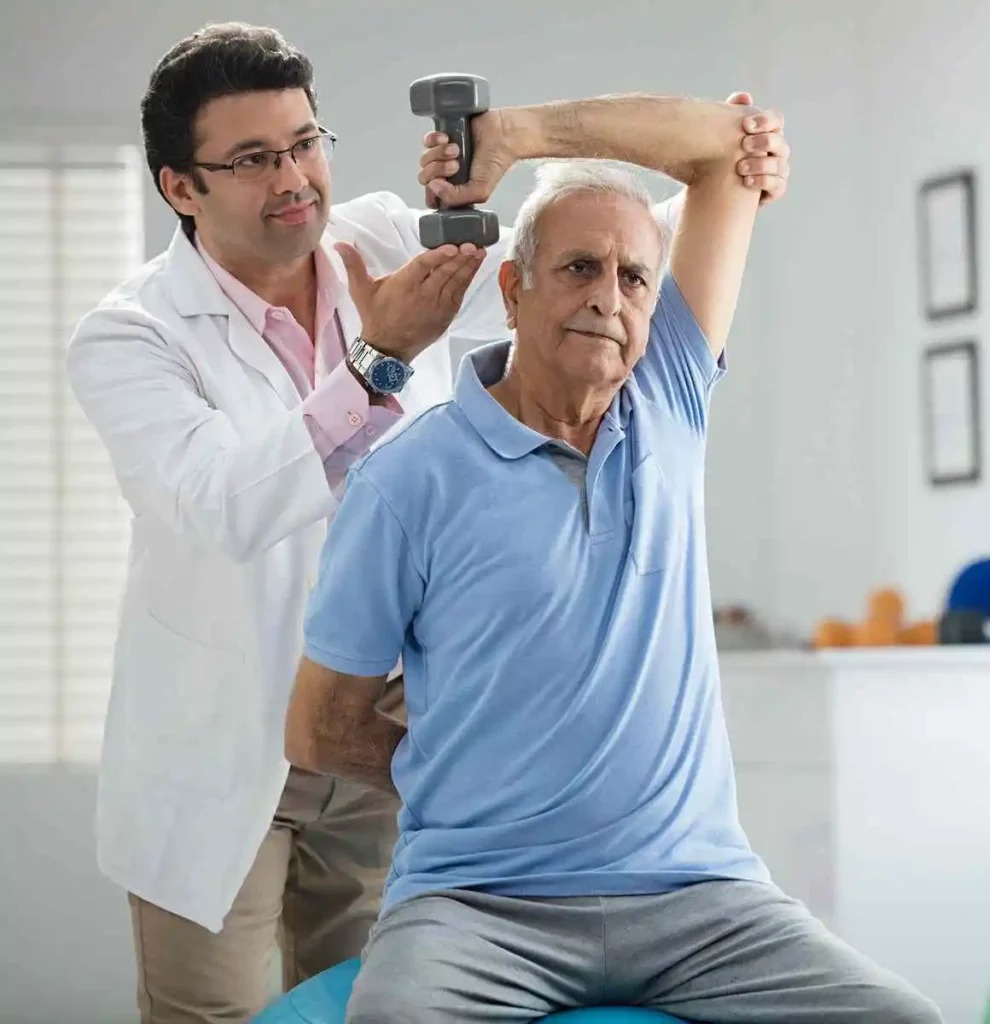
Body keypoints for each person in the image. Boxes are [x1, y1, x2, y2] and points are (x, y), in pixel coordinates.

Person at [65, 20, 790, 1024]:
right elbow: (223, 505)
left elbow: (604, 249)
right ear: (179, 186)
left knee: (360, 999)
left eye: (306, 142)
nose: (295, 178)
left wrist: (732, 163)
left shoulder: (382, 237)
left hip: (386, 744)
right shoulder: (127, 335)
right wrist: (376, 364)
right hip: (224, 751)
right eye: (253, 159)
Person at [287, 102, 942, 1022]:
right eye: (580, 268)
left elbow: (724, 153)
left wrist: (510, 136)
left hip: (700, 903)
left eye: (636, 277)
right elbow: (319, 727)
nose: (610, 297)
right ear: (512, 291)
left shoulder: (668, 395)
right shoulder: (406, 480)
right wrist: (474, 776)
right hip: (478, 909)